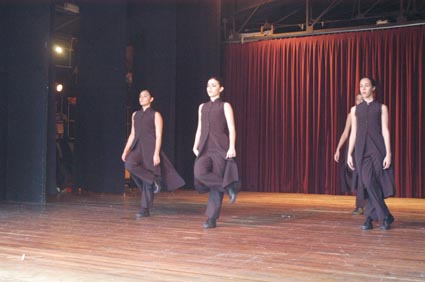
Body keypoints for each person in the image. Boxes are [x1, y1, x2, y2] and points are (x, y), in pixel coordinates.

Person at [122, 90, 185, 219]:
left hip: (150, 149)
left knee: (146, 180)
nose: (142, 98)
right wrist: (126, 150)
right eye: (140, 96)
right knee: (129, 164)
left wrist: (156, 153)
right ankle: (153, 180)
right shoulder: (135, 114)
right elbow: (132, 134)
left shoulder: (155, 115)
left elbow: (159, 135)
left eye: (145, 96)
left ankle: (145, 209)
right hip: (137, 148)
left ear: (151, 99)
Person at [347, 77, 395, 230]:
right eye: (361, 86)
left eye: (367, 85)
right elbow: (353, 132)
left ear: (373, 88)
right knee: (367, 183)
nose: (363, 88)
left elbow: (385, 131)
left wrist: (388, 153)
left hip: (378, 150)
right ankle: (385, 216)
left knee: (376, 183)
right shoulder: (355, 110)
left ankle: (369, 217)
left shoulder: (381, 108)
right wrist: (349, 153)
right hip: (362, 151)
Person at [193, 77, 239, 229]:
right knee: (199, 173)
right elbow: (199, 127)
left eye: (213, 85)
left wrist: (232, 147)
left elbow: (232, 128)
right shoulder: (202, 107)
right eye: (208, 85)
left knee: (215, 183)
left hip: (220, 147)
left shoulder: (225, 106)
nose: (210, 88)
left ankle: (211, 219)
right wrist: (195, 145)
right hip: (205, 148)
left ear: (221, 89)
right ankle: (227, 187)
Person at [334, 94, 366, 215]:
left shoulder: (368, 114)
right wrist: (338, 149)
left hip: (365, 147)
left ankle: (361, 205)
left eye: (361, 99)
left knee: (364, 176)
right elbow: (345, 133)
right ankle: (362, 204)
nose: (359, 101)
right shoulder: (351, 115)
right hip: (353, 148)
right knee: (354, 175)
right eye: (357, 99)